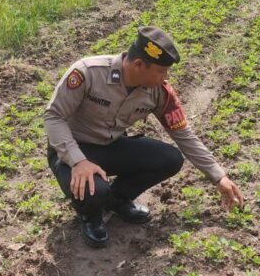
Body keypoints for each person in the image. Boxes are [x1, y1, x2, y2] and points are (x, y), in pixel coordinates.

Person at [44, 26, 244, 247]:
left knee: (170, 159)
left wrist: (218, 176)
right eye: (161, 71)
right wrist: (79, 162)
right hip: (72, 151)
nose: (165, 77)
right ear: (139, 65)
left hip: (110, 146)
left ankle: (117, 200)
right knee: (94, 191)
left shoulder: (158, 91)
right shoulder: (88, 72)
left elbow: (182, 134)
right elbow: (54, 117)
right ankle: (90, 215)